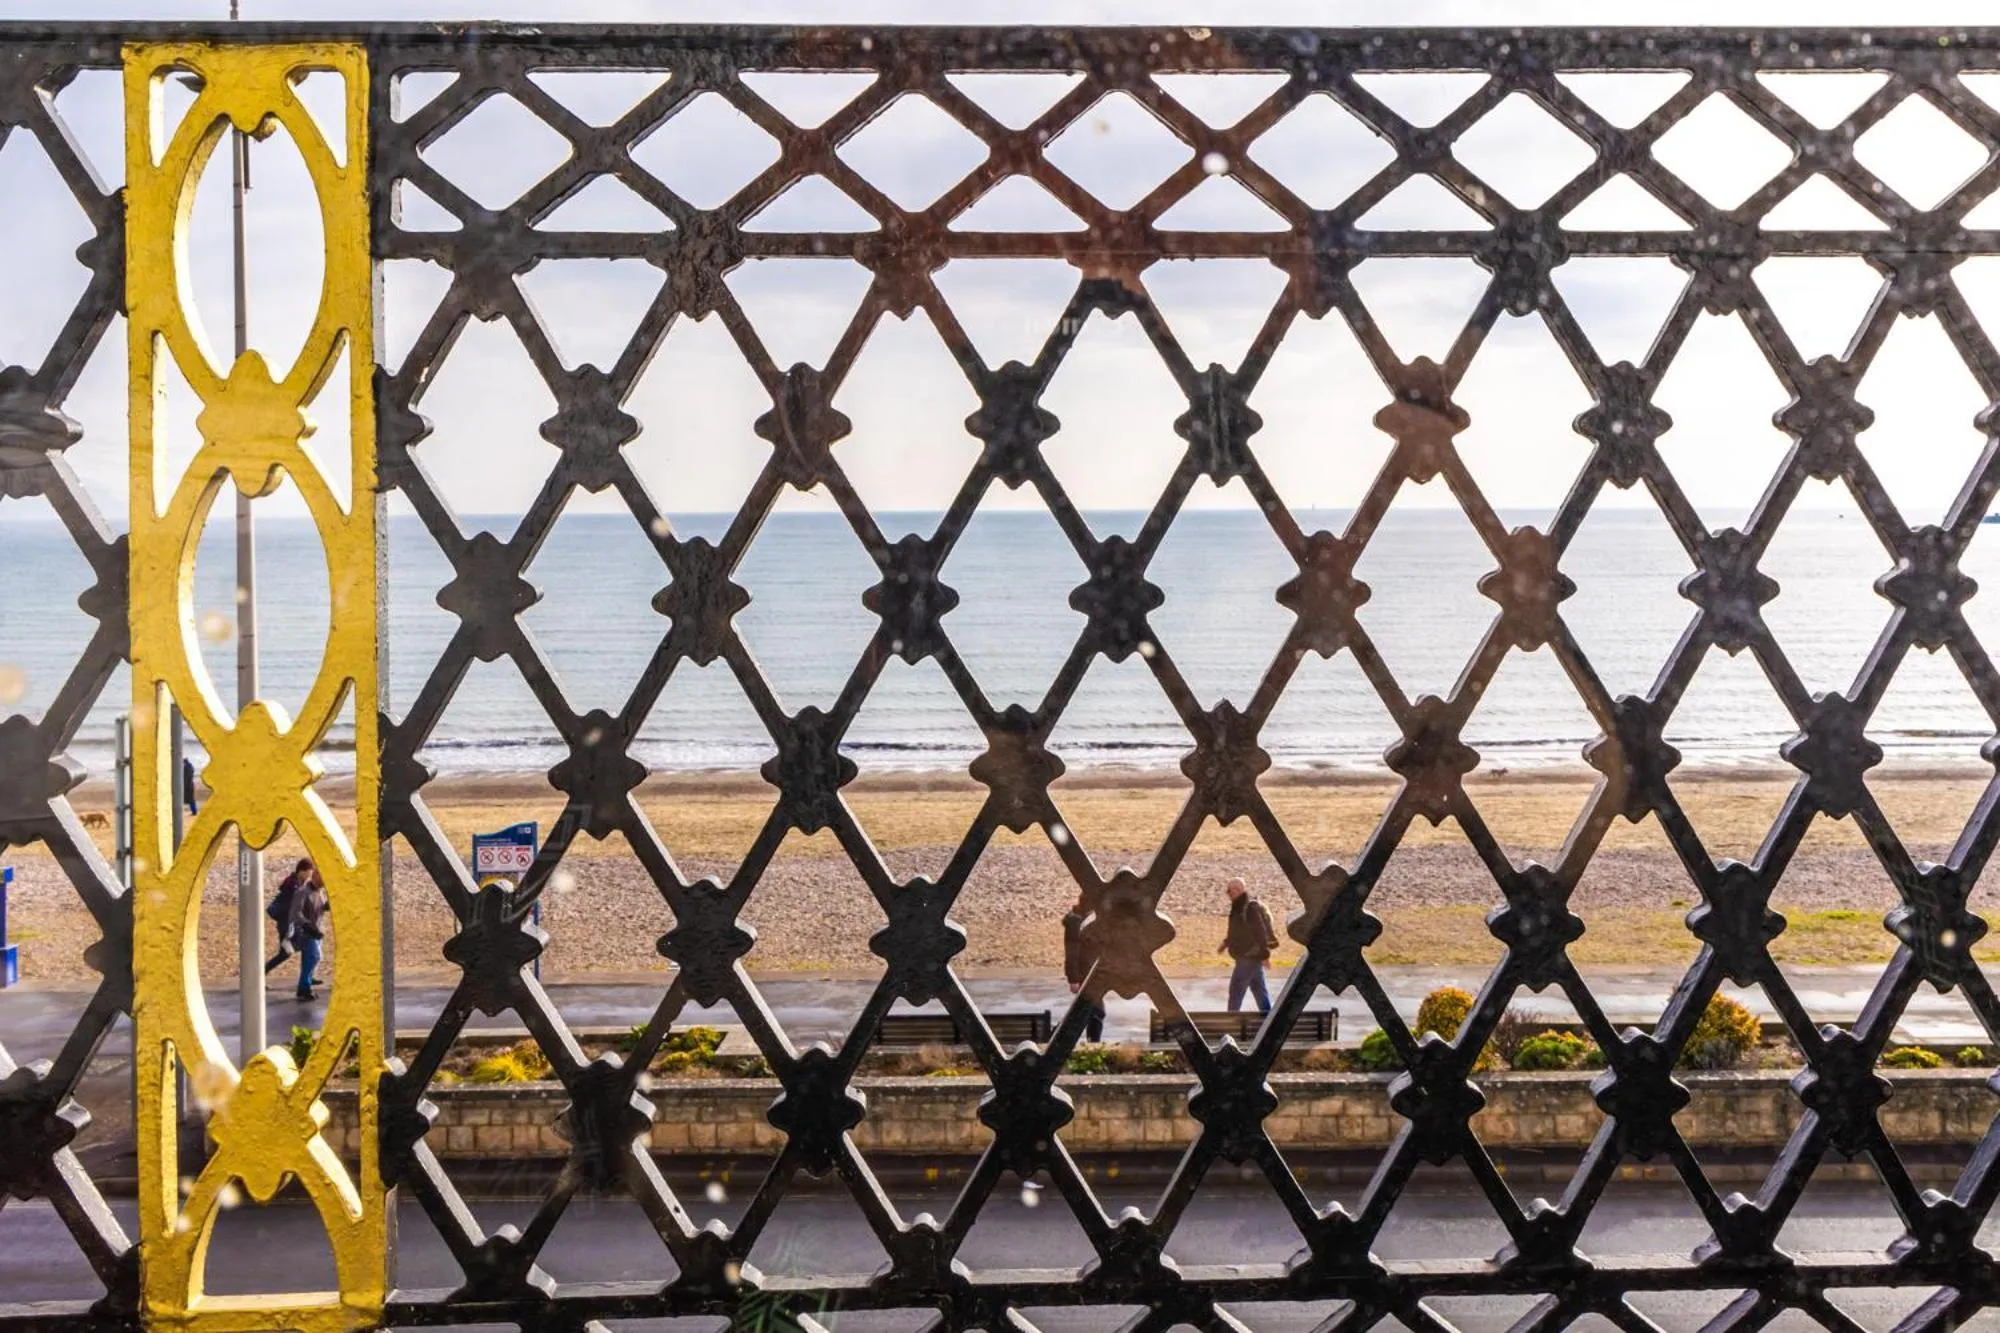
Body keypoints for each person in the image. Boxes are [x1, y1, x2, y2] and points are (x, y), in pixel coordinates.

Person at [1217, 876, 1277, 1014]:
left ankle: (1230, 1024)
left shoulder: (1250, 908)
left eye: (1229, 891)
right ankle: (1269, 1021)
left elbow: (1260, 932)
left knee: (1236, 991)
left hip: (1248, 956)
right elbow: (1237, 932)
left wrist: (1265, 955)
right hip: (1250, 957)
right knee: (1259, 991)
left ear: (1237, 890)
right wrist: (1225, 943)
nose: (1227, 894)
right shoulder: (1238, 907)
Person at [1061, 899, 1105, 1043]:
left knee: (1089, 1011)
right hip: (1084, 973)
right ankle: (1093, 1044)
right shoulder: (1075, 923)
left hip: (1091, 972)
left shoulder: (1085, 920)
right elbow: (1072, 953)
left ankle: (1062, 1037)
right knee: (1095, 1011)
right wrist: (1073, 979)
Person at [287, 866, 330, 1002]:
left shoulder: (320, 892)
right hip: (306, 932)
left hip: (316, 931)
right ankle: (304, 986)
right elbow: (295, 913)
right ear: (316, 876)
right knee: (315, 957)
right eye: (323, 877)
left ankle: (305, 986)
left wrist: (327, 906)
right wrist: (307, 925)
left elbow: (320, 907)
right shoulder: (303, 892)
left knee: (309, 960)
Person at [264, 859, 312, 976]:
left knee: (306, 945)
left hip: (289, 922)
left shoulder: (296, 883)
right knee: (287, 952)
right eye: (309, 873)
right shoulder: (293, 885)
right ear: (302, 871)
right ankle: (260, 974)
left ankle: (307, 977)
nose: (309, 876)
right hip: (286, 923)